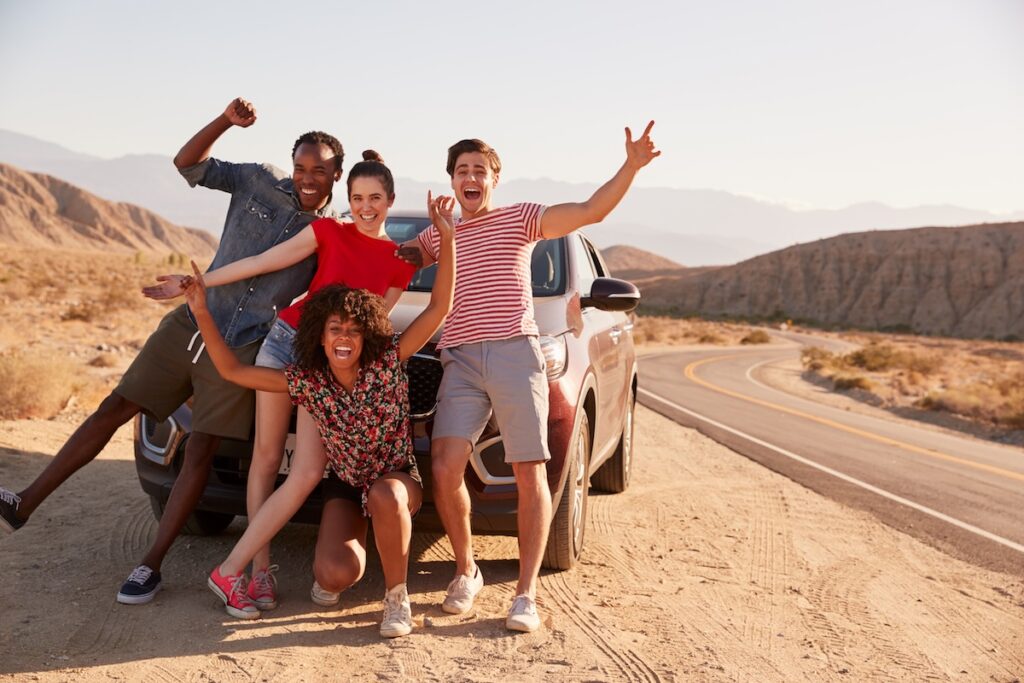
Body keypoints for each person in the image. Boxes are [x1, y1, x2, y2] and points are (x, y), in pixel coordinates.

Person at [0, 97, 344, 606]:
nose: (307, 177)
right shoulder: (255, 179)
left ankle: (149, 565)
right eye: (300, 166)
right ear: (290, 164)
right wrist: (226, 121)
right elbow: (187, 164)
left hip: (243, 348)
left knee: (199, 449)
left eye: (319, 170)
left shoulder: (331, 232)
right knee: (113, 408)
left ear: (336, 175)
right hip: (187, 324)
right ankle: (24, 501)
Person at [405, 122, 659, 633]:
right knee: (446, 467)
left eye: (479, 170)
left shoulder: (521, 220)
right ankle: (466, 570)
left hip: (517, 357)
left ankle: (526, 594)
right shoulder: (440, 232)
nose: (470, 177)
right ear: (451, 181)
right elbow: (385, 260)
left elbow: (590, 211)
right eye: (461, 171)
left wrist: (630, 166)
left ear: (495, 179)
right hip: (458, 360)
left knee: (529, 473)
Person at [142, 150, 415, 611]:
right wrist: (199, 284)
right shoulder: (328, 230)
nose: (366, 207)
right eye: (357, 197)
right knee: (267, 458)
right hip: (286, 339)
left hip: (325, 364)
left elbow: (374, 326)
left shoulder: (400, 260)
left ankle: (234, 569)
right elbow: (263, 263)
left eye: (375, 198)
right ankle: (257, 573)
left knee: (306, 471)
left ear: (390, 199)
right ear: (347, 199)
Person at [190, 190, 455, 638]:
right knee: (333, 572)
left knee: (388, 498)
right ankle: (241, 571)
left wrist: (446, 239)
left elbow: (438, 307)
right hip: (348, 487)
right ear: (319, 338)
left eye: (353, 329)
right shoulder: (312, 382)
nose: (344, 338)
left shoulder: (387, 359)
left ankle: (396, 600)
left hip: (392, 481)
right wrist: (200, 309)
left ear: (369, 332)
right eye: (334, 330)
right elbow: (234, 371)